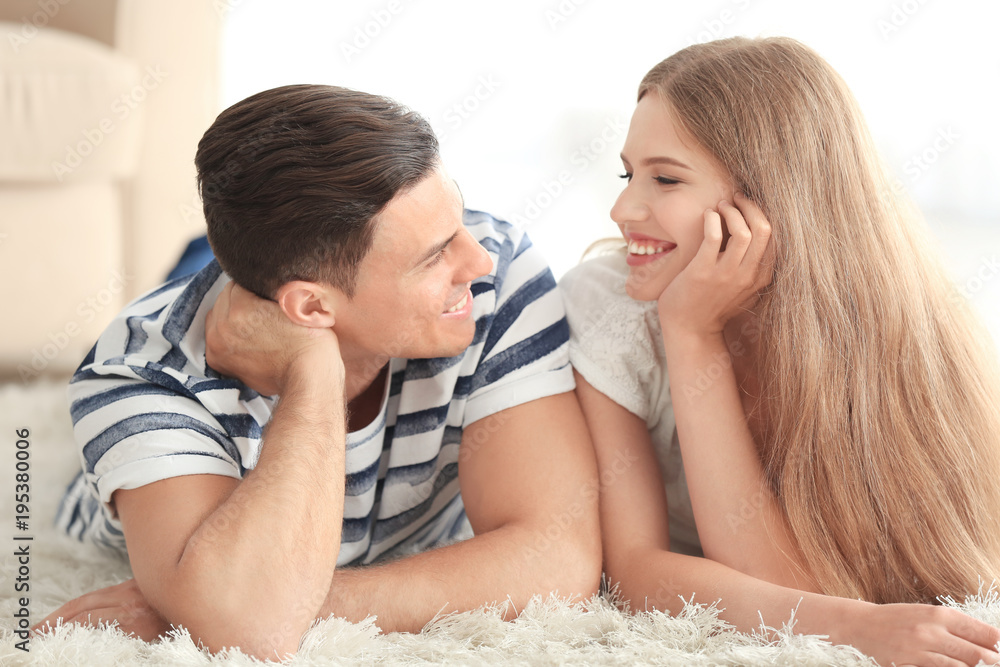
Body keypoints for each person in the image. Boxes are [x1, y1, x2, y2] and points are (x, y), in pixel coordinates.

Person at [37, 84, 601, 660]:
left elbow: (558, 556)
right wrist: (314, 368)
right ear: (311, 311)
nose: (476, 262)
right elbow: (254, 636)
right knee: (215, 271)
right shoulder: (139, 374)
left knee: (247, 257)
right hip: (267, 305)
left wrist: (244, 602)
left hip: (299, 281)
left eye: (459, 220)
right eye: (435, 255)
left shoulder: (498, 267)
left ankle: (220, 257)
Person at [561, 36, 1000, 667]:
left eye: (665, 178)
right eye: (629, 174)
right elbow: (634, 570)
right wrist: (690, 334)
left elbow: (792, 581)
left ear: (767, 201)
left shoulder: (901, 327)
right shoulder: (608, 308)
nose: (622, 207)